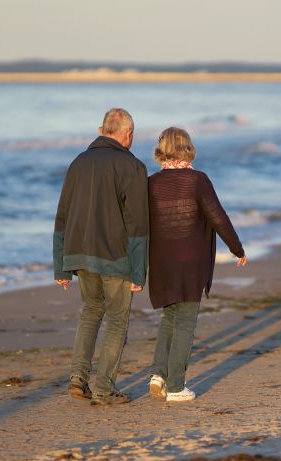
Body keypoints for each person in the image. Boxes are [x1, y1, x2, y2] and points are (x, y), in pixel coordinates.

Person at [53, 108, 149, 406]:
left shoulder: (78, 162)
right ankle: (104, 389)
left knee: (91, 312)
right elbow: (138, 223)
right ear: (128, 134)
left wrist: (61, 265)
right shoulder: (132, 166)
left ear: (102, 129)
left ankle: (77, 379)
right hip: (115, 256)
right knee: (117, 320)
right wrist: (138, 271)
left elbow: (62, 216)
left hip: (79, 253)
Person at [148, 127, 247, 402]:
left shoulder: (151, 183)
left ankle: (158, 375)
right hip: (191, 260)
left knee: (170, 316)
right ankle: (176, 387)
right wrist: (237, 248)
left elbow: (140, 225)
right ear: (188, 148)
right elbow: (218, 217)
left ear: (162, 149)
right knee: (185, 322)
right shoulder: (198, 180)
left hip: (161, 261)